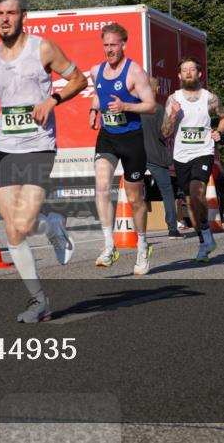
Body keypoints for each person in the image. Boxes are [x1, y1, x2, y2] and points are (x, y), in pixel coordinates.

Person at [0, 0, 87, 323]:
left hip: (38, 145)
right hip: (4, 148)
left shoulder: (43, 49)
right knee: (15, 232)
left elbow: (79, 79)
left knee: (22, 223)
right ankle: (39, 300)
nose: (4, 19)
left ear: (23, 16)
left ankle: (53, 225)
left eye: (10, 13)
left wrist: (53, 100)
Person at [89, 22, 158, 274]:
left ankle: (142, 246)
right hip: (108, 137)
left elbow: (151, 106)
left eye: (114, 45)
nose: (109, 50)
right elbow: (99, 94)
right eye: (106, 45)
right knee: (101, 186)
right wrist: (93, 110)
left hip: (131, 139)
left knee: (134, 199)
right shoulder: (96, 70)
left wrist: (126, 107)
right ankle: (109, 245)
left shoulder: (135, 72)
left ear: (123, 44)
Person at [162, 57, 224, 262]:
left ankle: (206, 233)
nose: (189, 73)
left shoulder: (210, 98)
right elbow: (165, 132)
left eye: (192, 69)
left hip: (203, 151)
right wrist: (173, 116)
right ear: (179, 75)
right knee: (190, 202)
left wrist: (219, 132)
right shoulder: (173, 99)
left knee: (196, 191)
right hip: (181, 155)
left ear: (199, 73)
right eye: (185, 70)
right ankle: (204, 241)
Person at [141, 78, 182, 239]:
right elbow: (164, 133)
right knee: (167, 192)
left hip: (137, 155)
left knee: (135, 194)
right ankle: (172, 229)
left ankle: (136, 232)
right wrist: (173, 114)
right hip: (155, 156)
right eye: (158, 86)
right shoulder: (157, 109)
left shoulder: (134, 108)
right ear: (156, 89)